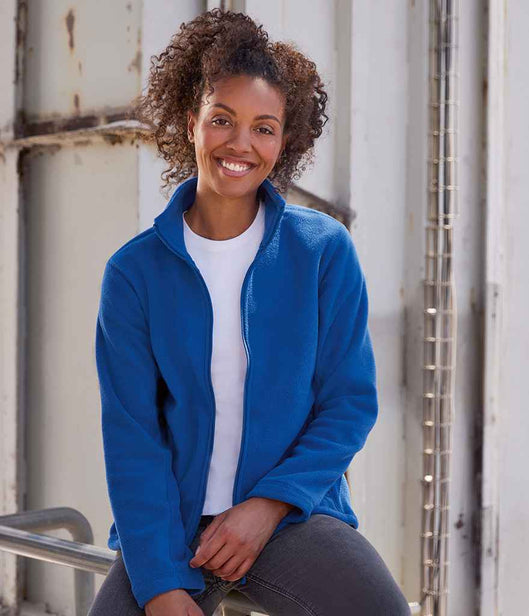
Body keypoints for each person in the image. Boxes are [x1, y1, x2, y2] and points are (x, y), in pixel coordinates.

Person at [89, 8, 411, 616]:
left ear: (283, 142)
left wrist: (267, 506)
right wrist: (159, 586)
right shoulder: (134, 274)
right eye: (222, 120)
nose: (240, 144)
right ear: (191, 125)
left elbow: (348, 403)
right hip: (172, 527)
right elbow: (133, 439)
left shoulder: (322, 251)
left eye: (264, 128)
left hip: (291, 517)